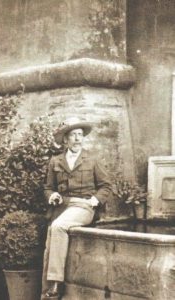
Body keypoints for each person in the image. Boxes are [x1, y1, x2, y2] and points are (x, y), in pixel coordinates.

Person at [43, 117, 110, 299]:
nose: (77, 139)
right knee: (50, 241)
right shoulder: (55, 161)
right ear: (65, 139)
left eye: (80, 135)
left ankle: (55, 283)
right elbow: (48, 188)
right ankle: (47, 295)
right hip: (62, 206)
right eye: (73, 135)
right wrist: (52, 196)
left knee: (57, 227)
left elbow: (106, 186)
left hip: (83, 207)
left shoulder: (93, 159)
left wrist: (95, 201)